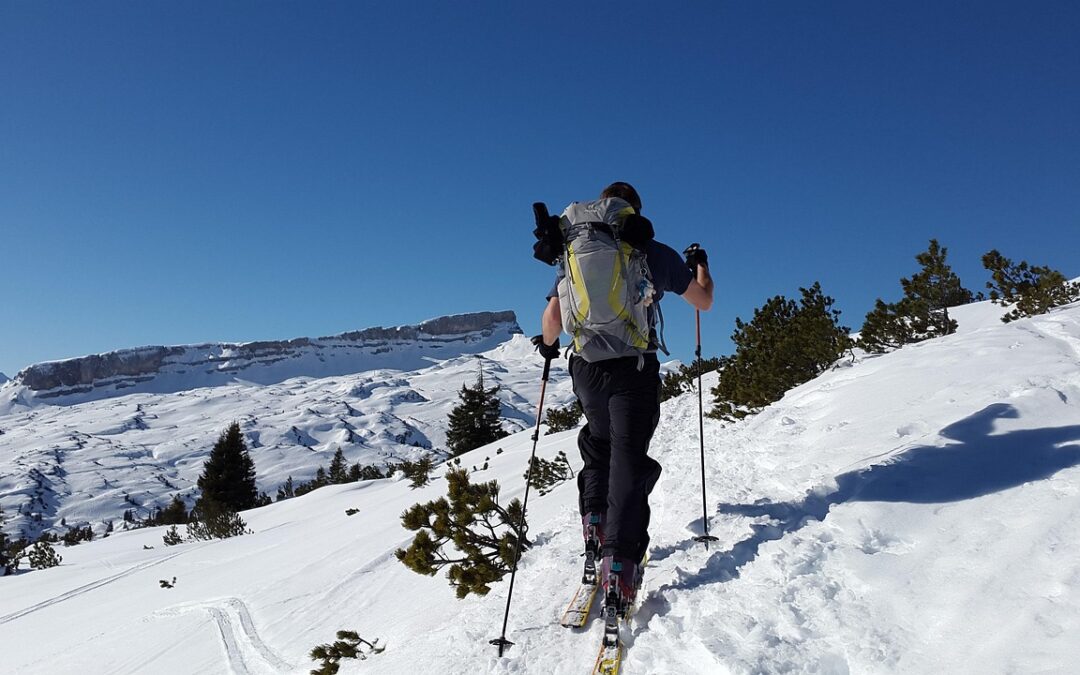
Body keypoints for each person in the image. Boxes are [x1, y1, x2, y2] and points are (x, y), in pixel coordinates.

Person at [534, 181, 713, 614]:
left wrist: (546, 343)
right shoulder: (650, 249)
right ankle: (621, 566)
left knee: (598, 447)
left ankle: (594, 524)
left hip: (587, 370)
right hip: (633, 369)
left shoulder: (576, 251)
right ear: (633, 211)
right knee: (628, 460)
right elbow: (703, 302)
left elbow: (555, 315)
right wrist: (701, 265)